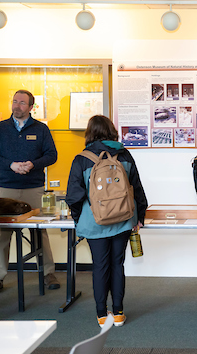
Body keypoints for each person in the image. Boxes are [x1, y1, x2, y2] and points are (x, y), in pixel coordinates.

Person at [66, 115, 147, 327]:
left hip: (95, 222)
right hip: (122, 220)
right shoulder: (125, 155)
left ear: (89, 132)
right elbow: (136, 188)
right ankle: (119, 313)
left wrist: (79, 219)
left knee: (100, 266)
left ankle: (102, 315)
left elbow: (74, 196)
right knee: (117, 265)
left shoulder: (81, 159)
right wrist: (140, 216)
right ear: (112, 131)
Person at [0, 90, 59, 294]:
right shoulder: (0, 128)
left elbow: (52, 155)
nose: (17, 106)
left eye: (22, 103)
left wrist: (32, 165)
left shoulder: (41, 129)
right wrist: (11, 165)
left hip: (33, 188)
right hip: (5, 187)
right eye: (14, 101)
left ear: (31, 107)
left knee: (39, 232)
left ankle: (47, 273)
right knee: (2, 234)